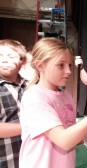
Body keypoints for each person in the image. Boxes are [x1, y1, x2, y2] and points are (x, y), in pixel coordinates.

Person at [18, 37, 87, 168]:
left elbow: (75, 137)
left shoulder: (66, 96)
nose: (69, 71)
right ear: (40, 66)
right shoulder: (35, 98)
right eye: (61, 65)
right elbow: (65, 140)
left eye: (70, 65)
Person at [0, 39, 27, 168]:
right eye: (0, 56)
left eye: (11, 56)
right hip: (6, 159)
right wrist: (32, 127)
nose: (4, 60)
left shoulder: (30, 85)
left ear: (21, 61)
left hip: (30, 157)